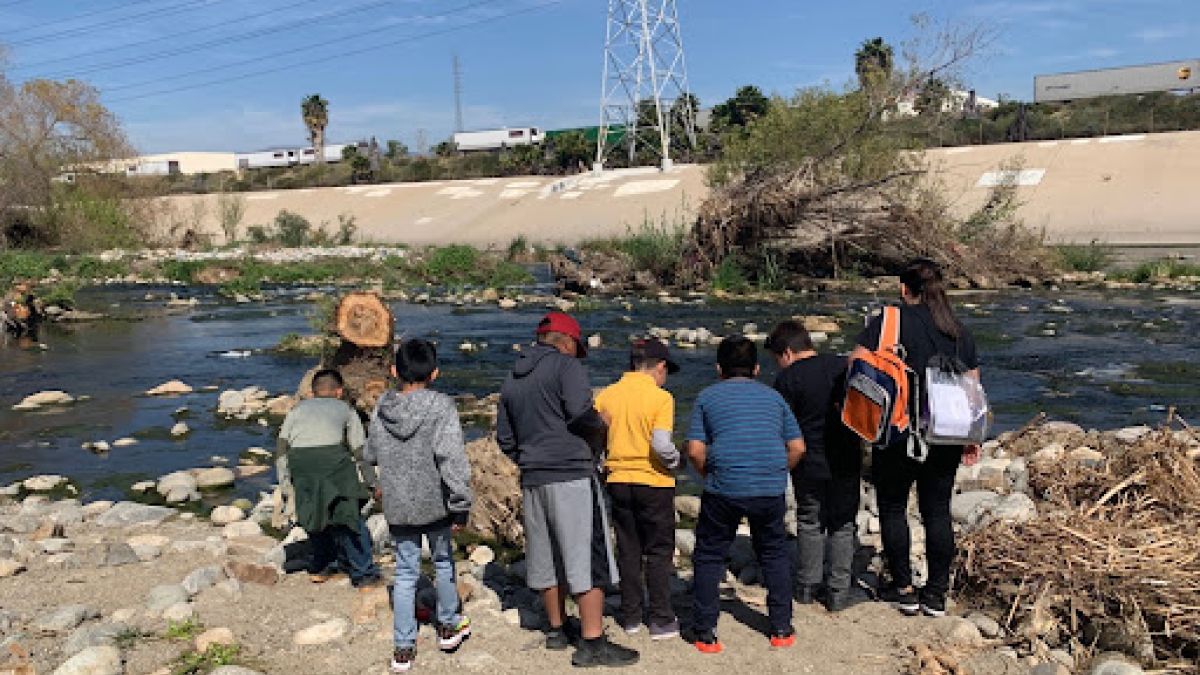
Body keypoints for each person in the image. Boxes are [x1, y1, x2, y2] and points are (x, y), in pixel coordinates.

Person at [496, 312, 639, 668]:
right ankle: (593, 642)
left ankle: (557, 630)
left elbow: (505, 437)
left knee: (547, 556)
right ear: (567, 341)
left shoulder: (513, 377)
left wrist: (528, 458)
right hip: (571, 474)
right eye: (577, 348)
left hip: (533, 477)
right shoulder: (566, 367)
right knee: (586, 558)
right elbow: (578, 412)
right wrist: (601, 425)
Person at [855, 258, 981, 618]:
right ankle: (937, 594)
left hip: (897, 431)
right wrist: (973, 437)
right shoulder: (958, 330)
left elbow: (857, 366)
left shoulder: (889, 322)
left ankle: (904, 588)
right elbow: (973, 385)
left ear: (903, 289)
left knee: (893, 508)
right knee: (937, 512)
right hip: (947, 434)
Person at [686, 336, 806, 654]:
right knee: (774, 554)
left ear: (718, 369)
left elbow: (696, 450)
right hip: (768, 486)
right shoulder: (774, 398)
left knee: (709, 555)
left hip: (724, 486)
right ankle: (781, 628)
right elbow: (797, 447)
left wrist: (707, 474)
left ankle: (705, 632)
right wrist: (780, 471)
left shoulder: (707, 397)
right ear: (756, 368)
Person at [364, 339, 474, 673]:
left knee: (406, 574)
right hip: (436, 502)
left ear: (394, 371)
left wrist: (377, 486)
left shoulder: (381, 408)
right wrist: (461, 502)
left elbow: (368, 455)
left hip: (398, 503)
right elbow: (451, 458)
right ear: (435, 373)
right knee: (443, 562)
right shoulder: (441, 407)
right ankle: (448, 625)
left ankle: (403, 649)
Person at [767, 320, 863, 612]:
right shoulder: (842, 367)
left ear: (786, 352)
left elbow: (780, 426)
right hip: (845, 456)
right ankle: (838, 591)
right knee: (842, 523)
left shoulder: (787, 380)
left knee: (809, 519)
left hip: (807, 460)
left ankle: (807, 586)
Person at [594, 338, 682, 640]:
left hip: (618, 479)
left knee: (628, 549)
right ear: (660, 367)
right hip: (653, 480)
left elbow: (596, 439)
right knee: (658, 551)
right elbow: (660, 444)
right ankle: (660, 618)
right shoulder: (661, 398)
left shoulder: (607, 396)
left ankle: (631, 616)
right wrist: (676, 461)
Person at [277, 368, 381, 588]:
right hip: (332, 461)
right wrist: (372, 483)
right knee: (349, 516)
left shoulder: (296, 411)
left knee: (315, 514)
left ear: (312, 392)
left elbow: (281, 449)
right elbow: (359, 451)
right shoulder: (345, 409)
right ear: (339, 391)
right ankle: (364, 573)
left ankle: (322, 566)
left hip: (300, 463)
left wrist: (286, 485)